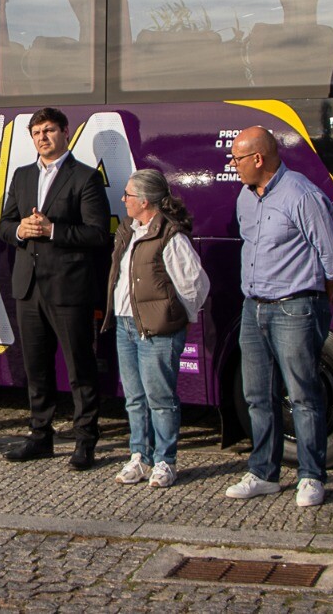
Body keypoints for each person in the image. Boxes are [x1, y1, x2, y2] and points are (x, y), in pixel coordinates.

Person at [222, 125, 333, 508]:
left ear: (258, 158)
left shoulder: (302, 194)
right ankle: (264, 473)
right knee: (258, 395)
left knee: (304, 396)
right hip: (253, 306)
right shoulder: (246, 199)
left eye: (237, 158)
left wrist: (313, 298)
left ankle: (311, 477)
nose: (233, 165)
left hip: (296, 306)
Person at [0, 107, 114, 470]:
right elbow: (4, 223)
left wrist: (53, 231)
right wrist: (20, 231)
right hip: (28, 287)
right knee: (36, 368)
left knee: (80, 368)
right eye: (36, 133)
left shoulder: (85, 178)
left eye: (49, 130)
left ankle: (85, 440)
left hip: (68, 289)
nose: (42, 137)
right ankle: (40, 435)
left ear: (65, 132)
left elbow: (98, 233)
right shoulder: (22, 175)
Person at [100, 169, 210, 489]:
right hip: (125, 324)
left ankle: (165, 460)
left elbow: (196, 285)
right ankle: (139, 456)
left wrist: (177, 319)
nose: (123, 200)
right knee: (134, 398)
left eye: (128, 195)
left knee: (160, 398)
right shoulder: (128, 230)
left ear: (145, 201)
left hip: (156, 329)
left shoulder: (170, 234)